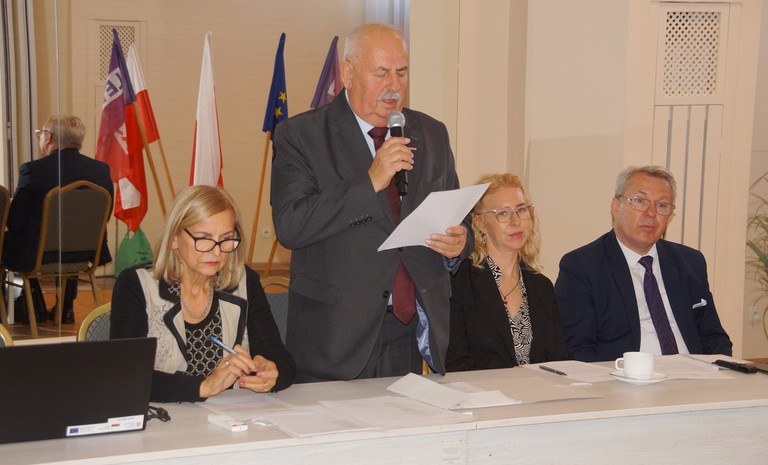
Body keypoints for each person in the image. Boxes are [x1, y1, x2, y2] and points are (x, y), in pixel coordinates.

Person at [271, 23, 472, 382]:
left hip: (408, 331)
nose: (394, 85)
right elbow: (291, 224)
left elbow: (458, 217)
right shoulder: (301, 135)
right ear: (348, 73)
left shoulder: (431, 133)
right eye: (381, 73)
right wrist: (369, 183)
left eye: (401, 72)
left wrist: (459, 243)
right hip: (335, 338)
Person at [110, 186, 295, 402]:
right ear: (174, 238)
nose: (217, 251)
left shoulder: (244, 282)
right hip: (166, 418)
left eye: (226, 238)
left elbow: (282, 360)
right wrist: (203, 387)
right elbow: (126, 376)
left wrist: (272, 373)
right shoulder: (137, 285)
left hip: (232, 418)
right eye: (204, 238)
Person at [554, 165, 732, 362]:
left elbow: (714, 337)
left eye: (662, 205)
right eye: (639, 201)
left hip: (693, 373)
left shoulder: (690, 262)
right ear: (616, 206)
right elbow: (577, 349)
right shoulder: (581, 266)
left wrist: (721, 371)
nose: (651, 213)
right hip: (625, 376)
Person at [446, 174, 567, 371]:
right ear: (479, 223)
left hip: (539, 389)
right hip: (480, 390)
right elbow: (455, 363)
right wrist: (508, 380)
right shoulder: (459, 281)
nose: (516, 221)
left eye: (521, 210)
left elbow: (558, 361)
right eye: (503, 213)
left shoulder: (542, 286)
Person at [3, 115, 113, 324]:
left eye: (40, 134)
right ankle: (66, 308)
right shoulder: (101, 170)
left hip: (40, 256)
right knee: (69, 233)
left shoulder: (34, 170)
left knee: (9, 242)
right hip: (85, 253)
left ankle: (28, 308)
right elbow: (104, 217)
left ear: (49, 137)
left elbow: (15, 223)